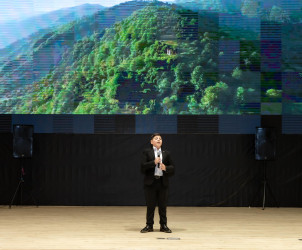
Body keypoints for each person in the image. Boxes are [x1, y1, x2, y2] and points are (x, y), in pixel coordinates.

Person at [140, 133, 175, 233]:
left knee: (163, 205)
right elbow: (142, 166)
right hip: (151, 183)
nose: (159, 140)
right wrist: (153, 162)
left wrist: (166, 168)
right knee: (150, 205)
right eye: (156, 138)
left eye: (160, 138)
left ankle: (163, 225)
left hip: (162, 182)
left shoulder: (166, 153)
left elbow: (173, 167)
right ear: (151, 142)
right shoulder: (147, 152)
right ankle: (149, 225)